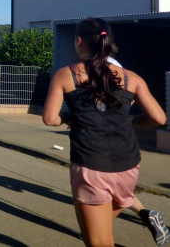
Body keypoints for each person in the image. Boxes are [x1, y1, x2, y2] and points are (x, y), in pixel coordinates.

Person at [43, 18, 168, 246]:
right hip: (128, 164)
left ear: (79, 41)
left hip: (91, 163)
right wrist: (131, 121)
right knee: (98, 230)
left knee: (99, 242)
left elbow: (50, 119)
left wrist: (69, 119)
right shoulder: (131, 77)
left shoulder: (66, 74)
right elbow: (158, 118)